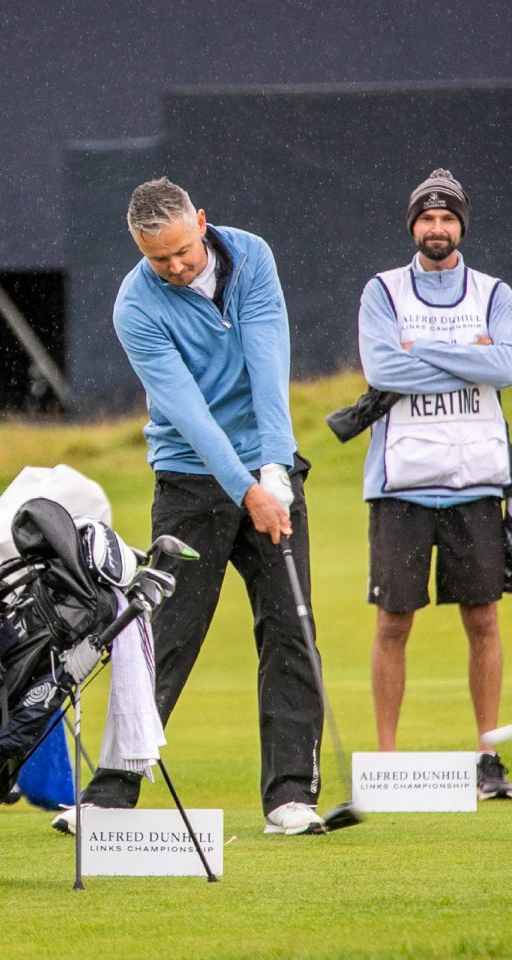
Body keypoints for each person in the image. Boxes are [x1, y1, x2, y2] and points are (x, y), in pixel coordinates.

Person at [51, 177, 326, 836]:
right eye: (158, 259)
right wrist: (247, 488)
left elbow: (269, 367)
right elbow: (190, 415)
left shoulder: (252, 257)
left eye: (181, 251)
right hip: (190, 481)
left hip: (266, 468)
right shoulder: (135, 308)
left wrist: (276, 472)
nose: (175, 267)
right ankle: (109, 797)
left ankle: (291, 797)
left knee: (291, 630)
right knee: (160, 639)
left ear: (200, 222)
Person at [356, 169, 512, 800]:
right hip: (400, 483)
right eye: (426, 219)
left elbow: (506, 365)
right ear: (413, 226)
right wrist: (467, 358)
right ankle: (388, 764)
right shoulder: (382, 291)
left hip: (474, 480)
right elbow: (380, 366)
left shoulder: (493, 293)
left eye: (447, 218)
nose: (437, 228)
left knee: (483, 619)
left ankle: (488, 759)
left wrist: (418, 355)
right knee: (393, 623)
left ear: (461, 225)